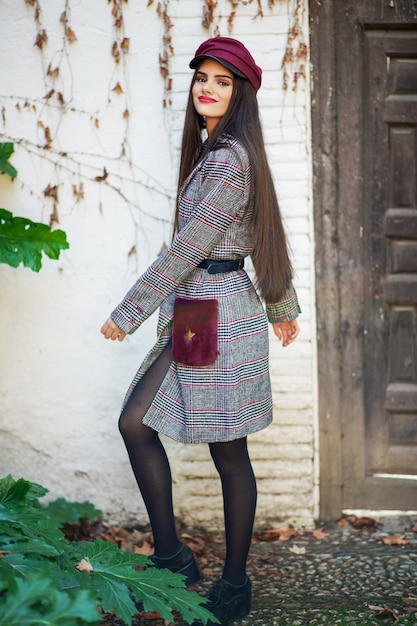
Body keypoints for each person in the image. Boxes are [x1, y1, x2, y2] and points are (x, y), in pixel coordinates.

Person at [101, 36, 300, 626]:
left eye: (222, 80)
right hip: (199, 309)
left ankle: (232, 583)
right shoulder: (222, 151)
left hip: (215, 310)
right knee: (140, 422)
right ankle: (173, 559)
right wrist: (283, 304)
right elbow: (261, 229)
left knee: (226, 447)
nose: (207, 89)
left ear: (241, 93)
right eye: (201, 79)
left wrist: (129, 310)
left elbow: (191, 246)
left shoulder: (228, 159)